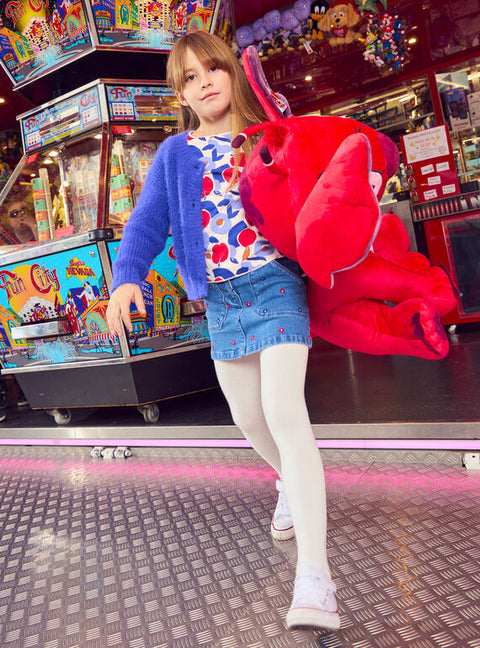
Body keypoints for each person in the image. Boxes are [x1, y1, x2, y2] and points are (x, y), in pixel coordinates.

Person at [106, 30, 339, 632]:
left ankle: (314, 574)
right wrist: (126, 277)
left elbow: (319, 173)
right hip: (222, 300)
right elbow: (146, 222)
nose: (204, 81)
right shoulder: (175, 155)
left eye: (212, 67)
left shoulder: (267, 130)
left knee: (284, 409)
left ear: (231, 71)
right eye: (189, 77)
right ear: (180, 94)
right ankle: (290, 479)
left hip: (275, 282)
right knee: (247, 418)